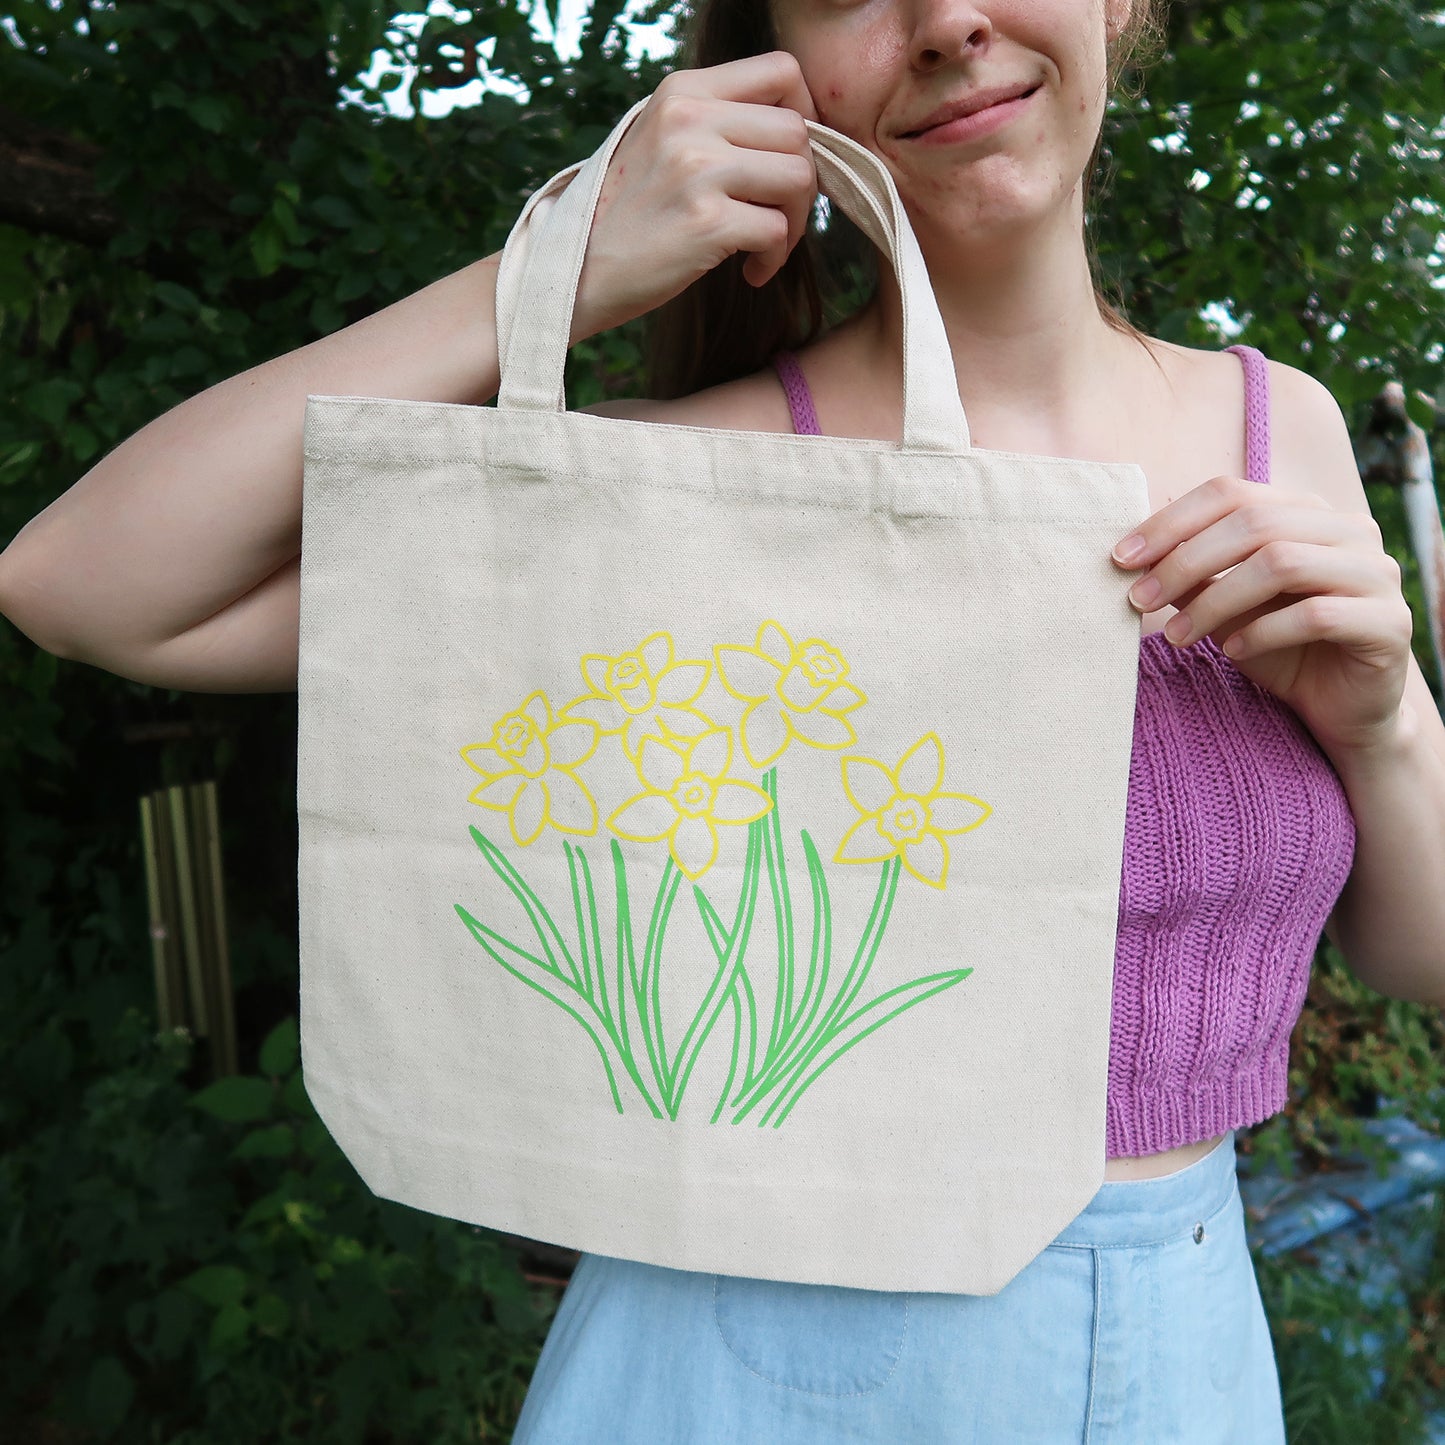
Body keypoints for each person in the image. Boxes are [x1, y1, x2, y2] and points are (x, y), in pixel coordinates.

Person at [1, 0, 1441, 1438]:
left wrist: (1376, 729)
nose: (944, 22)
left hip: (1190, 1341)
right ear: (775, 64)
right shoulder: (705, 498)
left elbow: (1420, 956)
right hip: (767, 1354)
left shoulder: (1285, 430)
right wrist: (547, 277)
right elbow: (86, 585)